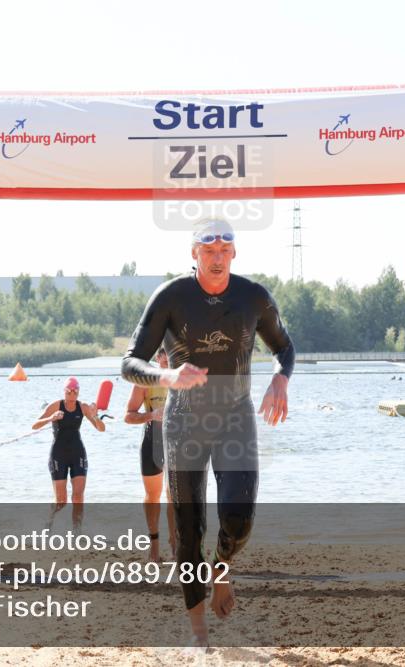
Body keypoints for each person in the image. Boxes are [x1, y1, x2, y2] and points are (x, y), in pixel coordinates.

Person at [121, 218, 295, 647]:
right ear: (193, 254)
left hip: (235, 417)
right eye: (208, 251)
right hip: (184, 422)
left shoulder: (253, 297)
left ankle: (221, 566)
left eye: (224, 251)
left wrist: (280, 379)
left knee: (239, 521)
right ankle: (199, 633)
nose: (216, 259)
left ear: (234, 254)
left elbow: (284, 347)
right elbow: (129, 364)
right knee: (188, 527)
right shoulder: (171, 297)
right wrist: (165, 377)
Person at [124, 347, 176, 562]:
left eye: (172, 352)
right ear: (158, 357)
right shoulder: (144, 382)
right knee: (153, 495)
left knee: (174, 496)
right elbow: (128, 416)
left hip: (177, 441)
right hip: (152, 440)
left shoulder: (183, 380)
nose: (169, 357)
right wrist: (152, 414)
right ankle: (154, 546)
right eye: (165, 353)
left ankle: (175, 545)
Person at [32, 377, 105, 528]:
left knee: (78, 497)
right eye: (69, 391)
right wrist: (51, 418)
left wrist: (95, 415)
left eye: (75, 391)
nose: (72, 394)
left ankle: (76, 531)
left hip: (77, 453)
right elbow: (34, 425)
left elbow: (101, 428)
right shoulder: (55, 405)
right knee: (61, 500)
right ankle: (49, 521)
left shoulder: (83, 407)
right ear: (64, 392)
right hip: (58, 454)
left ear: (78, 392)